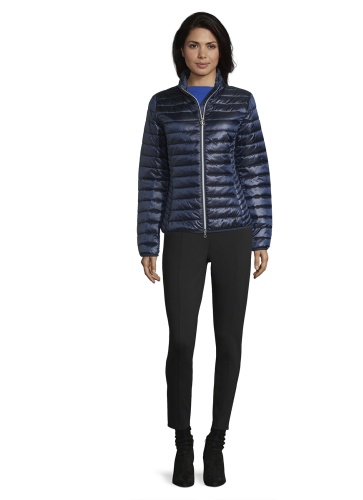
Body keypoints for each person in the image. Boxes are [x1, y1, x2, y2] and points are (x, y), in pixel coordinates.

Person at [136, 11, 272, 487]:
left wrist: (261, 235)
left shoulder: (240, 103)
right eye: (194, 45)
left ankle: (217, 443)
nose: (202, 54)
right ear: (182, 50)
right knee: (182, 341)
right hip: (182, 233)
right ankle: (183, 441)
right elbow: (153, 174)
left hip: (235, 232)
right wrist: (147, 239)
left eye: (211, 46)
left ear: (222, 52)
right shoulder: (163, 105)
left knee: (229, 341)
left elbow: (254, 168)